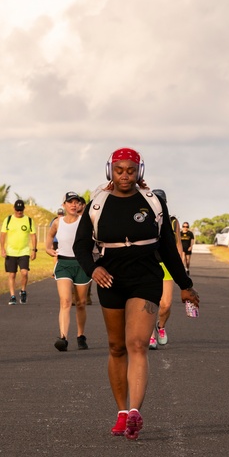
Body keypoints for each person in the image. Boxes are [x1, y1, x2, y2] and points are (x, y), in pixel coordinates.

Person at [73, 148, 199, 440]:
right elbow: (81, 246)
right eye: (119, 170)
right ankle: (120, 412)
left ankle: (134, 413)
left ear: (139, 171)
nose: (125, 176)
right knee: (117, 347)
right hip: (110, 280)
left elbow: (167, 247)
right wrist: (93, 270)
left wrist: (185, 285)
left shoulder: (153, 204)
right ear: (110, 171)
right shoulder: (97, 205)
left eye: (131, 170)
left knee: (137, 343)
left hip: (146, 280)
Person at [45, 192, 91, 351]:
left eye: (76, 202)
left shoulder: (85, 221)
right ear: (64, 205)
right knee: (65, 301)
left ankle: (81, 335)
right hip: (63, 263)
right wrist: (48, 249)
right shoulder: (58, 222)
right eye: (70, 202)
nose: (73, 205)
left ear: (79, 205)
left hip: (81, 264)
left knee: (81, 303)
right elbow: (50, 236)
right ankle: (63, 337)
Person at [149, 190, 185, 349]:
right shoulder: (144, 219)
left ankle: (161, 327)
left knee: (166, 304)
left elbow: (178, 244)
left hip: (167, 265)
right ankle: (150, 335)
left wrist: (180, 266)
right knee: (150, 302)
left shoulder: (172, 221)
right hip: (149, 264)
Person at [0, 199, 37, 305]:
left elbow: (33, 235)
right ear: (14, 209)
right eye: (17, 210)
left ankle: (23, 291)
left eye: (21, 210)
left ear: (24, 209)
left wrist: (34, 250)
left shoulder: (29, 220)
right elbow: (3, 235)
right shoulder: (8, 220)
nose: (19, 212)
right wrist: (2, 249)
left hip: (24, 251)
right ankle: (12, 296)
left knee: (24, 273)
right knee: (12, 274)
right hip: (11, 252)